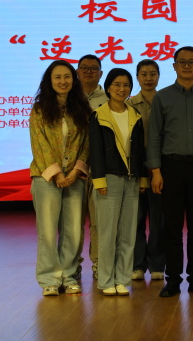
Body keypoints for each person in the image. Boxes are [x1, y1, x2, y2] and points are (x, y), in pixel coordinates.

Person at [148, 46, 193, 297]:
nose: (187, 66)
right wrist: (156, 171)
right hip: (171, 167)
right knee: (172, 227)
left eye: (192, 62)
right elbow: (154, 136)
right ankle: (173, 279)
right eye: (182, 62)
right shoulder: (163, 97)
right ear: (174, 66)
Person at [30, 60, 91, 296]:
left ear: (73, 80)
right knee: (47, 231)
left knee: (73, 230)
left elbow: (87, 144)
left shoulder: (82, 108)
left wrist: (76, 171)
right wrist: (56, 173)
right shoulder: (39, 109)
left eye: (67, 77)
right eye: (58, 77)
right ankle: (49, 280)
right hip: (46, 178)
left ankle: (69, 276)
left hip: (75, 177)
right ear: (50, 81)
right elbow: (39, 144)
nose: (63, 81)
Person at [89, 68, 148, 296]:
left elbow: (140, 151)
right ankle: (106, 280)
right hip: (108, 179)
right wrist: (99, 180)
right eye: (117, 84)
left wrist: (143, 178)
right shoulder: (99, 115)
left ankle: (122, 279)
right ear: (108, 87)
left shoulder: (135, 115)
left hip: (132, 180)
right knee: (107, 233)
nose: (121, 89)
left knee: (128, 232)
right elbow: (95, 151)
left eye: (126, 85)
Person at [127, 59, 166, 282]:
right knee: (136, 218)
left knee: (159, 219)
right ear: (137, 77)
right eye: (144, 74)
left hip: (161, 168)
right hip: (136, 168)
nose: (148, 78)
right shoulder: (129, 104)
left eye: (153, 74)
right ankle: (137, 264)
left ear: (159, 76)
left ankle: (158, 264)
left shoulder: (166, 101)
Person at [76, 54, 108, 280]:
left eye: (93, 68)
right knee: (73, 223)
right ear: (77, 72)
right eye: (84, 68)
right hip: (74, 170)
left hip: (99, 169)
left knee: (99, 222)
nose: (88, 71)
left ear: (101, 73)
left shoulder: (109, 99)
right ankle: (72, 267)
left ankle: (98, 264)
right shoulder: (68, 98)